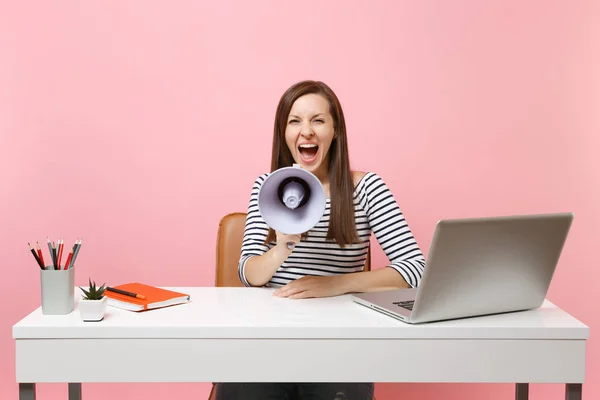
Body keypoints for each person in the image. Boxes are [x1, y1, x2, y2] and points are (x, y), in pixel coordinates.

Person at [215, 80, 425, 400]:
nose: (307, 131)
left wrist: (335, 285)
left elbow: (417, 270)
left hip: (339, 341)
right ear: (284, 134)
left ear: (335, 130)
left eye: (318, 120)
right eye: (295, 121)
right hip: (269, 338)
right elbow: (249, 273)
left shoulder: (366, 189)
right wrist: (282, 247)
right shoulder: (267, 188)